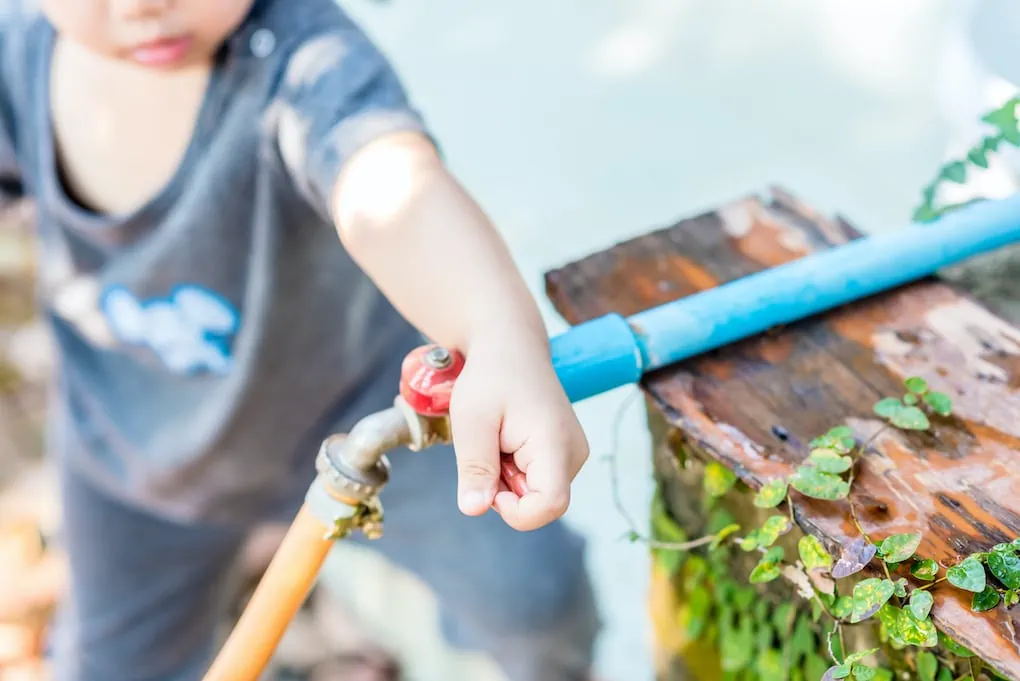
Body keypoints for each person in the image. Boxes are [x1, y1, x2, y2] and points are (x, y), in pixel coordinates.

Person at [0, 0, 602, 680]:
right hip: (134, 455)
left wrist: (497, 333)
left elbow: (391, 190)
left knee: (538, 602)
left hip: (366, 418)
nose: (144, 4)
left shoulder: (300, 59)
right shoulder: (16, 57)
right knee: (106, 668)